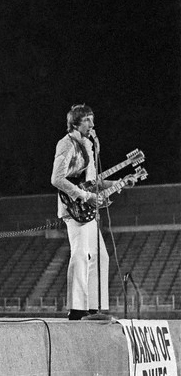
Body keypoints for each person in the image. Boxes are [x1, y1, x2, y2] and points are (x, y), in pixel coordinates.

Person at [51, 104, 131, 320]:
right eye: (87, 120)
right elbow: (57, 179)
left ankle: (95, 306)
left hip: (87, 209)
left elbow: (91, 182)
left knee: (100, 256)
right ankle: (77, 309)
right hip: (74, 207)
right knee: (80, 254)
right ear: (75, 122)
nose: (92, 125)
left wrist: (118, 182)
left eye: (92, 120)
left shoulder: (88, 145)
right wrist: (84, 197)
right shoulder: (66, 144)